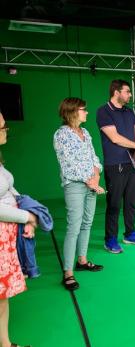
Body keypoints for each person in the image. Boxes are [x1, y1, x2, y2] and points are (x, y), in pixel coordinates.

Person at [54, 97, 105, 291]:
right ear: (72, 111)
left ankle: (82, 260)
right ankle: (68, 272)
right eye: (84, 109)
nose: (87, 112)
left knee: (87, 222)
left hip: (91, 182)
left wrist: (97, 174)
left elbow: (93, 156)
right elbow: (67, 165)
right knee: (73, 226)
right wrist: (89, 180)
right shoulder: (61, 134)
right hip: (75, 185)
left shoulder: (85, 132)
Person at [96, 80, 135, 253]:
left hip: (132, 165)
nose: (130, 95)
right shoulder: (103, 111)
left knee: (131, 202)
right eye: (127, 91)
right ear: (116, 92)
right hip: (115, 164)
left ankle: (130, 233)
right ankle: (110, 239)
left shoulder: (129, 111)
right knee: (114, 204)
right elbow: (115, 138)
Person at [0, 109, 34, 347]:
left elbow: (7, 189)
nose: (6, 131)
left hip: (5, 240)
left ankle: (5, 343)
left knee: (2, 299)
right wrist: (27, 216)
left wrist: (23, 202)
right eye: (2, 127)